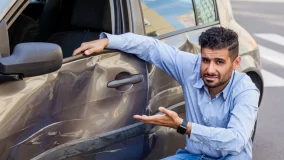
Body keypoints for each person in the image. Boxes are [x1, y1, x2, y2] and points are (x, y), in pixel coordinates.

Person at [73, 27, 260, 160]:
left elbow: (235, 141)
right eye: (205, 60)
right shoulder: (191, 67)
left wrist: (183, 126)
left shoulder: (246, 90)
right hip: (193, 156)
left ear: (236, 63)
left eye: (219, 62)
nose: (210, 69)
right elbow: (151, 47)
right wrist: (108, 41)